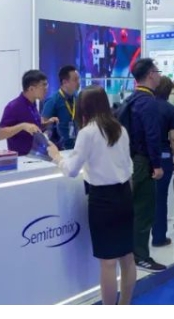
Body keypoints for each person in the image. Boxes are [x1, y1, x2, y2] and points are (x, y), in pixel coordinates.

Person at [47, 87, 136, 304]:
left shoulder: (87, 132)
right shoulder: (120, 129)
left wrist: (57, 157)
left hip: (102, 199)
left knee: (108, 262)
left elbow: (71, 170)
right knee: (127, 257)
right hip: (124, 195)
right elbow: (128, 167)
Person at [118, 58, 168, 272]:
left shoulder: (131, 99)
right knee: (144, 210)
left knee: (134, 208)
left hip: (130, 160)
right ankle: (140, 256)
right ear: (150, 75)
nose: (159, 75)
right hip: (143, 161)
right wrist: (157, 164)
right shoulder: (148, 102)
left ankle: (130, 253)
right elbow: (152, 135)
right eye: (157, 71)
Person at [149, 75, 174, 250]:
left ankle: (139, 238)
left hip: (144, 157)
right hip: (164, 156)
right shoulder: (171, 110)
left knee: (143, 198)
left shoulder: (144, 106)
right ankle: (159, 237)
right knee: (160, 198)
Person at [0, 70, 57, 156]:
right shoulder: (14, 106)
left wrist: (47, 123)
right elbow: (0, 134)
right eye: (43, 85)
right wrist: (22, 126)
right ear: (31, 89)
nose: (46, 89)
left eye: (46, 85)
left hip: (37, 155)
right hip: (21, 158)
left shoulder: (33, 104)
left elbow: (32, 127)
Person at [42, 65, 81, 150]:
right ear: (65, 82)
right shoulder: (52, 101)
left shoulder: (77, 98)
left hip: (76, 146)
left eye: (78, 79)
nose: (78, 82)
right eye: (75, 80)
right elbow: (44, 125)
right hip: (60, 149)